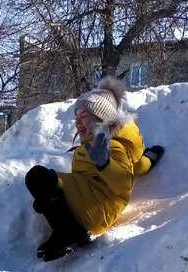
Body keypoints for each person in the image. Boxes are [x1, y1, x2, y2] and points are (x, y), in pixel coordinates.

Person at [25, 75, 164, 261]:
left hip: (97, 206)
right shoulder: (95, 146)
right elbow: (137, 167)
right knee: (46, 180)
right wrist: (150, 157)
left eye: (84, 116)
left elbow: (125, 182)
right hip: (91, 201)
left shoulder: (112, 147)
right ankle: (68, 230)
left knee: (38, 177)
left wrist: (104, 164)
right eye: (76, 117)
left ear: (101, 119)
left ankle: (69, 232)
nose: (78, 122)